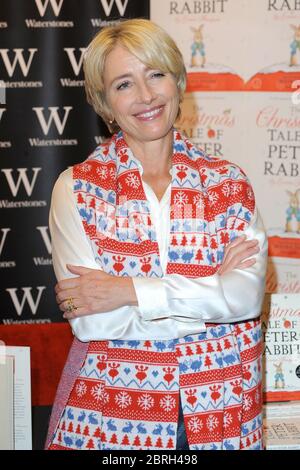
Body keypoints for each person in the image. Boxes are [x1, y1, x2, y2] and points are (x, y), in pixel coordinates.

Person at [45, 19, 267, 451]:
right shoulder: (75, 188)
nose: (145, 96)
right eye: (124, 84)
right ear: (104, 102)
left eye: (156, 75)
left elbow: (245, 299)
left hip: (223, 411)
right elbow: (94, 321)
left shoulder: (229, 184)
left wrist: (128, 290)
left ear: (178, 81)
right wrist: (210, 302)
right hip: (114, 418)